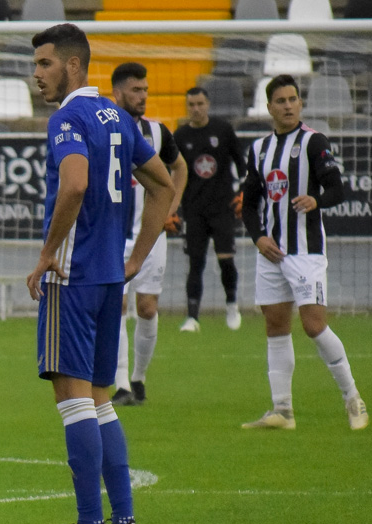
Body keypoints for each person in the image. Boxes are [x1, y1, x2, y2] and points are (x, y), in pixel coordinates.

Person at [25, 24, 174, 524]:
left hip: (72, 277)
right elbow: (165, 183)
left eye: (44, 63)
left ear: (72, 65)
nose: (36, 74)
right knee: (102, 398)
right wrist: (134, 256)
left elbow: (76, 183)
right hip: (111, 277)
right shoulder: (117, 116)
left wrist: (46, 255)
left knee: (72, 399)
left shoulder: (68, 118)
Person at [239, 74, 367, 431]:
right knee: (275, 324)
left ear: (300, 103)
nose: (289, 105)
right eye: (281, 100)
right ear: (269, 108)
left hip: (306, 251)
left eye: (293, 99)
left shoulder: (314, 142)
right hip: (272, 252)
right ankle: (282, 410)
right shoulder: (260, 149)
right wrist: (258, 238)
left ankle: (352, 397)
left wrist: (317, 200)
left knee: (313, 325)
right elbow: (249, 205)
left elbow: (337, 190)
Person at [109, 62, 187, 407]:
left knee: (147, 307)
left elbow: (180, 167)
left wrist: (170, 208)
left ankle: (138, 378)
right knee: (117, 304)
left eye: (145, 90)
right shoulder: (104, 131)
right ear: (117, 92)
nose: (142, 96)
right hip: (113, 234)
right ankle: (122, 384)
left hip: (151, 235)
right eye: (136, 90)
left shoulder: (158, 132)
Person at [173, 87, 246, 333]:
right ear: (187, 106)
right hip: (193, 210)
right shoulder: (180, 136)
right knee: (195, 263)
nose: (196, 108)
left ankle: (231, 305)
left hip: (222, 208)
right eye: (191, 104)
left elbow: (242, 163)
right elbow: (171, 171)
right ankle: (192, 317)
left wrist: (243, 192)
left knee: (226, 260)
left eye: (200, 103)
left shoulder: (223, 130)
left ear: (208, 103)